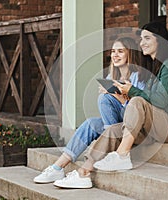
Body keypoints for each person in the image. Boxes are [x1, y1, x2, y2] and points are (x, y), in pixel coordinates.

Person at [51, 21, 168, 188]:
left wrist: (132, 91)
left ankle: (122, 155)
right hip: (155, 126)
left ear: (160, 40)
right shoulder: (155, 67)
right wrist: (124, 98)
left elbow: (160, 100)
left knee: (137, 101)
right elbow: (147, 102)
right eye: (141, 39)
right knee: (111, 128)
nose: (142, 43)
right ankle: (83, 173)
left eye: (147, 38)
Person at [33, 37, 145, 187]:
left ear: (130, 54)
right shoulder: (112, 76)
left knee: (104, 99)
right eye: (113, 51)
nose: (115, 55)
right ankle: (58, 167)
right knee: (91, 123)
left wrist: (121, 99)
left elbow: (139, 110)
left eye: (120, 51)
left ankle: (107, 146)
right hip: (114, 125)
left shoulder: (139, 78)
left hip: (130, 129)